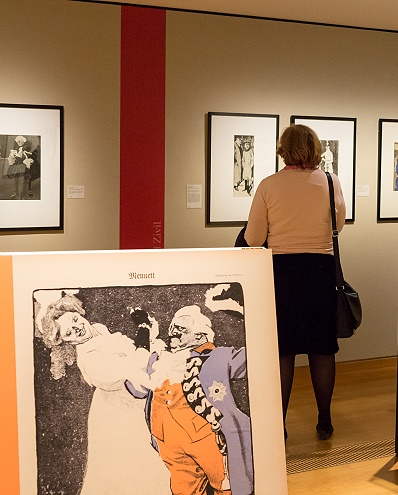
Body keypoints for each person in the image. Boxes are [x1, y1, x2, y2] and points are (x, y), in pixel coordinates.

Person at [244, 124, 345, 441]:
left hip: (282, 273)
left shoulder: (269, 185)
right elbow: (337, 226)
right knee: (322, 350)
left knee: (283, 351)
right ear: (315, 148)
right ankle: (324, 420)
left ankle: (280, 424)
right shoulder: (330, 182)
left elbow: (253, 238)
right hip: (320, 270)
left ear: (283, 148)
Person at [37, 293, 171, 495]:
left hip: (134, 402)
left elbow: (132, 353)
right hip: (118, 416)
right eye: (69, 333)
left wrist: (146, 334)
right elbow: (138, 373)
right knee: (136, 471)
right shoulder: (90, 361)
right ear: (64, 342)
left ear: (78, 312)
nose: (78, 328)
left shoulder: (98, 328)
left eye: (75, 320)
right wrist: (143, 330)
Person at [127, 305, 253, 495]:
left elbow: (254, 357)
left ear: (200, 336)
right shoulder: (159, 360)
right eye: (172, 328)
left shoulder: (219, 356)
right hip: (168, 443)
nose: (174, 332)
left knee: (224, 487)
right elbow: (136, 388)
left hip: (206, 437)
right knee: (184, 491)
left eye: (182, 328)